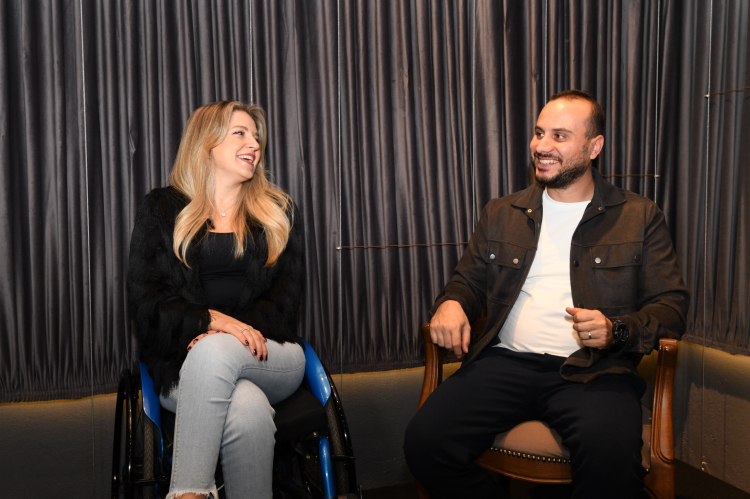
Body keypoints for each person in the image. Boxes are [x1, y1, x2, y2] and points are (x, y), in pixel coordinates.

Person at [403, 90, 689, 498]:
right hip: (504, 363)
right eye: (539, 133)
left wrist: (617, 330)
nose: (541, 146)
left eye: (559, 136)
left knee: (610, 457)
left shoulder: (638, 216)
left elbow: (671, 306)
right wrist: (451, 303)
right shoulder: (502, 213)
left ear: (594, 147)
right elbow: (467, 282)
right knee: (425, 443)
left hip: (594, 371)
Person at [127, 101, 305, 499]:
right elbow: (145, 300)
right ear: (206, 143)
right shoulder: (161, 210)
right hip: (182, 364)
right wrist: (211, 321)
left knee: (214, 351)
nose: (254, 144)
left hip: (271, 353)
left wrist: (224, 335)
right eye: (240, 133)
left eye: (256, 137)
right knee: (247, 409)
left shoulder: (279, 212)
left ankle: (187, 494)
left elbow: (284, 302)